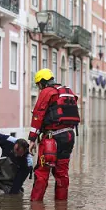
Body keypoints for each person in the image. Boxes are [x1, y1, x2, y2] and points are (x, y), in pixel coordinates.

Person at [28, 69, 80, 201]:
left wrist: (32, 139)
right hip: (69, 136)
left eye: (38, 85)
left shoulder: (47, 92)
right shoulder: (67, 92)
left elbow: (38, 115)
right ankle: (61, 209)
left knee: (42, 172)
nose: (39, 88)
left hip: (52, 139)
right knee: (62, 173)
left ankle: (36, 207)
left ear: (41, 83)